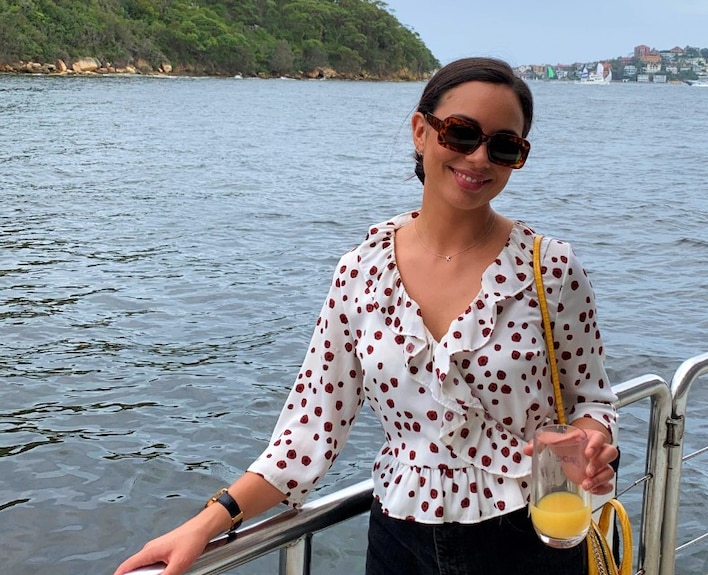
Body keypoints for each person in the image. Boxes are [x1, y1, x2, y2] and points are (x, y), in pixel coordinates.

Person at [114, 56, 618, 575]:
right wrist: (204, 524)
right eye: (461, 133)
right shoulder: (362, 272)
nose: (479, 158)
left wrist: (590, 445)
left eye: (504, 146)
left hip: (530, 538)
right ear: (421, 132)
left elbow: (594, 402)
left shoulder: (549, 268)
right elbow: (310, 431)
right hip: (399, 543)